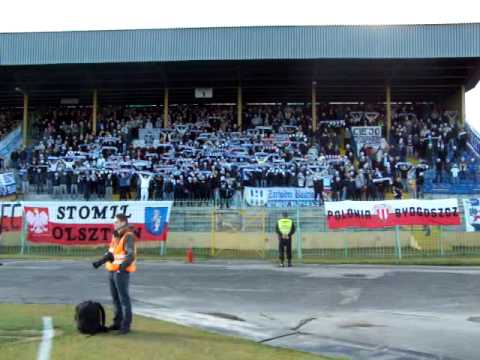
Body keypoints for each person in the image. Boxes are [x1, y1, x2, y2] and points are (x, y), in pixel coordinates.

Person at [105, 214, 137, 334]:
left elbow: (130, 254)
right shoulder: (116, 235)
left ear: (123, 222)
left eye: (116, 221)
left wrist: (121, 268)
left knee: (124, 299)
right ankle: (117, 323)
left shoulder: (128, 236)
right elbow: (113, 251)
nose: (114, 223)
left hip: (120, 272)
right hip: (112, 270)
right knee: (115, 299)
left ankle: (126, 325)